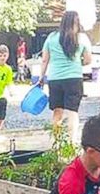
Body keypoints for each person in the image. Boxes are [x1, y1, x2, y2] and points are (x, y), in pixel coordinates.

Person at [39, 10, 92, 143]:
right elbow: (88, 60)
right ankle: (71, 144)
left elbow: (45, 60)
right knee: (72, 112)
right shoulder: (82, 38)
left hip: (55, 79)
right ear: (77, 22)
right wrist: (76, 62)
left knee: (57, 112)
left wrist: (41, 77)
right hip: (74, 79)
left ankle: (56, 143)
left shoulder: (51, 37)